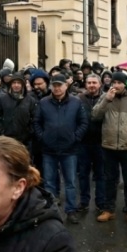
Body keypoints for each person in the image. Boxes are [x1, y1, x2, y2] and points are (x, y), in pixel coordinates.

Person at [91, 71, 127, 226]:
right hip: (108, 146)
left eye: (119, 83)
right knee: (110, 180)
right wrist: (106, 101)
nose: (115, 85)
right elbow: (95, 115)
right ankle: (108, 210)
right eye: (114, 82)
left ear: (125, 84)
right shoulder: (105, 97)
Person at [33, 74, 88, 224]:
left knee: (70, 182)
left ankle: (70, 210)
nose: (57, 88)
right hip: (48, 149)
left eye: (60, 85)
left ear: (66, 86)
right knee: (49, 182)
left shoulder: (76, 102)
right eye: (54, 85)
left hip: (69, 149)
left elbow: (83, 122)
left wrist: (75, 138)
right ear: (51, 86)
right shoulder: (43, 102)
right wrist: (43, 137)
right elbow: (37, 122)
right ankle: (52, 211)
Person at [77, 74, 105, 213]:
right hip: (83, 143)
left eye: (94, 82)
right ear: (85, 84)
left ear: (100, 84)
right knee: (83, 174)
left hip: (101, 142)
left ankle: (100, 202)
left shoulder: (106, 98)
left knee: (101, 174)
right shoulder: (79, 99)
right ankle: (84, 201)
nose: (92, 85)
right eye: (89, 83)